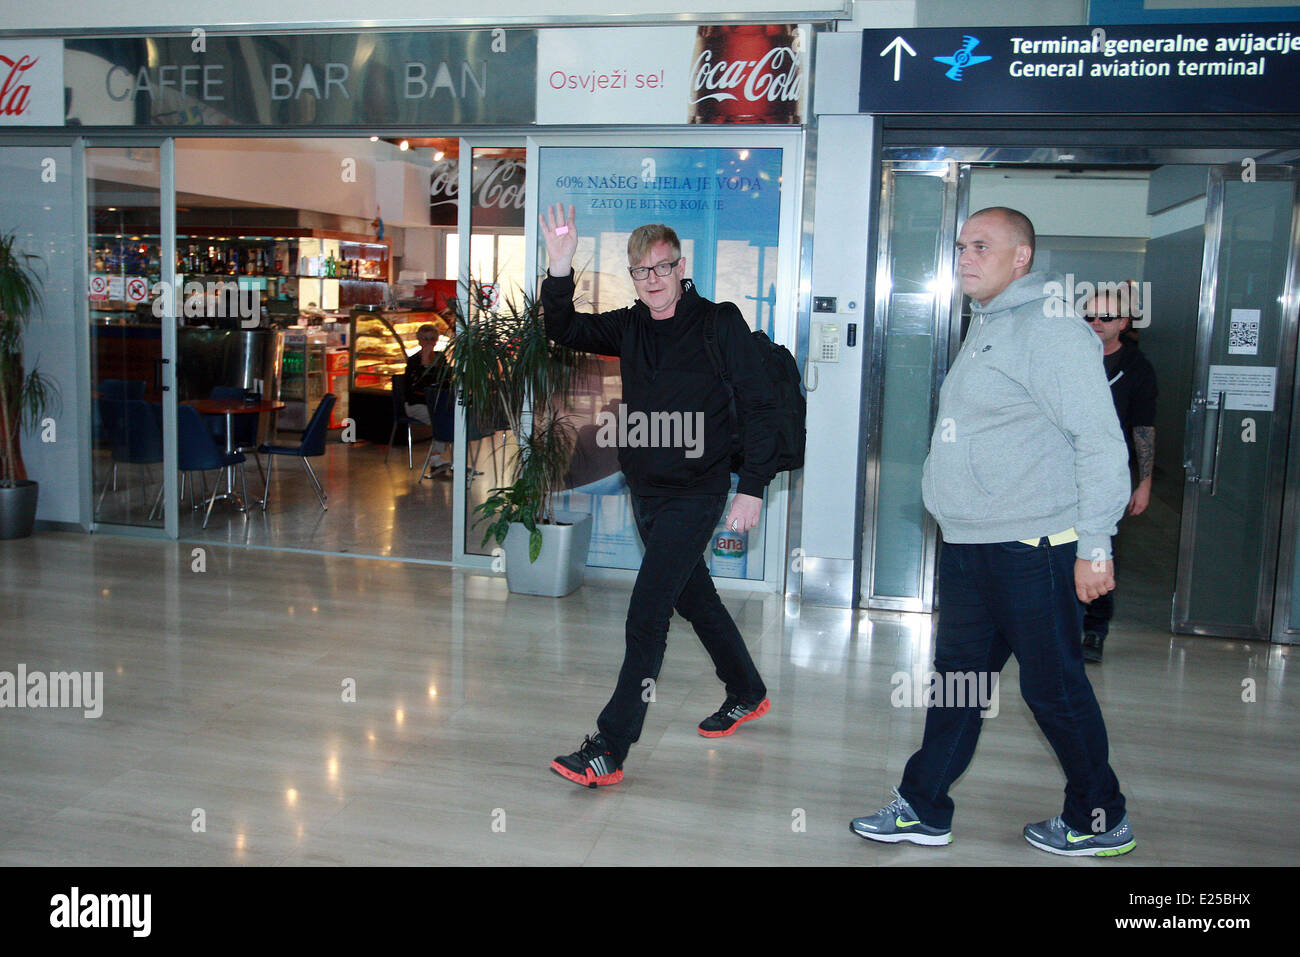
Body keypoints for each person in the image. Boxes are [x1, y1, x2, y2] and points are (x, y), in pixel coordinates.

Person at [849, 207, 1137, 856]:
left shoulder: (1054, 329)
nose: (965, 256)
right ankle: (923, 805)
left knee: (1053, 686)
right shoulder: (992, 324)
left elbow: (1099, 443)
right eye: (960, 246)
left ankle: (1101, 816)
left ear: (1021, 258)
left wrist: (1095, 545)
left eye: (982, 245)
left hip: (1032, 548)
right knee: (958, 680)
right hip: (974, 546)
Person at [539, 204, 779, 788]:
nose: (653, 281)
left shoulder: (719, 323)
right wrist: (560, 265)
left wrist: (751, 489)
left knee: (647, 612)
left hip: (698, 492)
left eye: (662, 268)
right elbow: (563, 328)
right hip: (646, 490)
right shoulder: (629, 325)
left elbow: (762, 405)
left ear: (681, 265)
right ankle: (747, 689)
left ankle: (610, 746)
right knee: (694, 598)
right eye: (641, 272)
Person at [1080, 285, 1158, 662]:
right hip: (1063, 473)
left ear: (1123, 323)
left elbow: (1143, 428)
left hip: (1110, 475)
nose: (1096, 323)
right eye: (1090, 316)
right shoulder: (1071, 359)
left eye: (1105, 317)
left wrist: (1143, 483)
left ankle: (1095, 629)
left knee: (1099, 550)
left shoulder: (1137, 368)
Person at [404, 323, 452, 475]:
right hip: (416, 404)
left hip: (436, 403)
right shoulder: (413, 361)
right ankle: (435, 458)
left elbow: (445, 381)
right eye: (425, 339)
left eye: (432, 338)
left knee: (449, 418)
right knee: (441, 421)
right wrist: (425, 365)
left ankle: (445, 459)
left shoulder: (440, 358)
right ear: (419, 340)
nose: (429, 342)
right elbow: (416, 388)